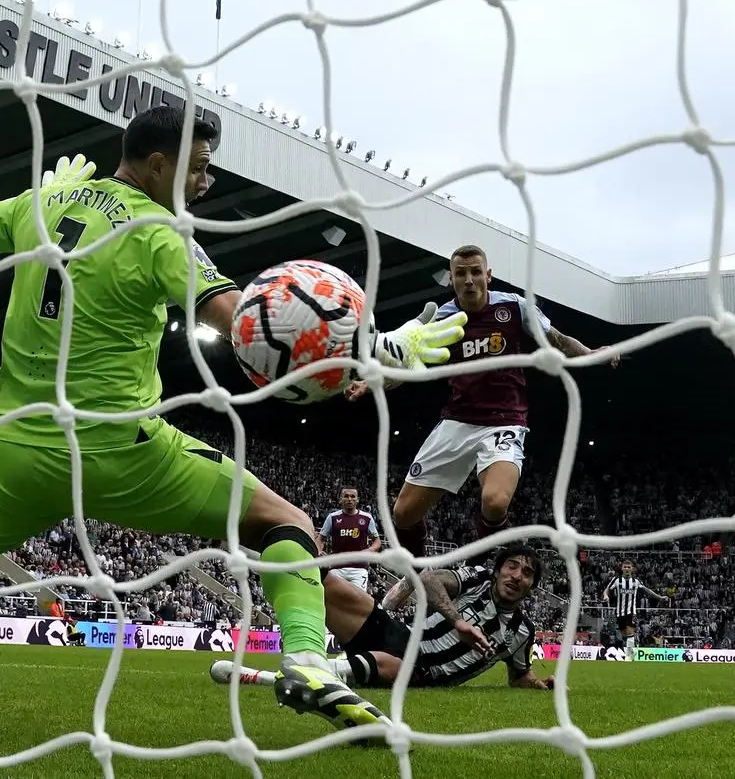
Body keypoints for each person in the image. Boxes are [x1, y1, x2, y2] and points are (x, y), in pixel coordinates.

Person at [0, 106, 463, 736]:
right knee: (284, 522)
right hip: (122, 450)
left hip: (18, 452)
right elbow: (247, 326)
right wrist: (371, 351)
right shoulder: (158, 231)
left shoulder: (44, 204)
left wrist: (30, 208)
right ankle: (307, 660)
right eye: (198, 167)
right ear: (153, 163)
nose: (205, 181)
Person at [347, 245, 616, 610]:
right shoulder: (442, 317)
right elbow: (405, 363)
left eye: (476, 272)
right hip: (457, 421)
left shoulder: (514, 308)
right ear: (452, 279)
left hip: (505, 421)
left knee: (495, 500)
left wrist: (589, 354)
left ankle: (479, 567)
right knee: (403, 514)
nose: (469, 279)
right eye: (461, 273)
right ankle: (420, 577)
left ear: (488, 276)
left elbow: (556, 339)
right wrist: (370, 383)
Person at [210, 545, 557, 691]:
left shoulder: (522, 632)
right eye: (512, 566)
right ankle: (263, 551)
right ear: (498, 571)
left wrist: (542, 686)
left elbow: (519, 675)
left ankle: (270, 676)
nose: (517, 575)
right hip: (403, 636)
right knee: (328, 584)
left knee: (391, 665)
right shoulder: (479, 578)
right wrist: (458, 621)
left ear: (532, 588)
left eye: (527, 573)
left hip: (425, 673)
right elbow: (428, 579)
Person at [314, 488, 380, 592]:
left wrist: (371, 549)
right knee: (336, 601)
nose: (349, 499)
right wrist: (318, 550)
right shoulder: (332, 518)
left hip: (359, 568)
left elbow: (377, 541)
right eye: (346, 496)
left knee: (358, 602)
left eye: (353, 496)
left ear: (357, 499)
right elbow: (320, 538)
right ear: (341, 499)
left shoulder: (367, 518)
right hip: (336, 568)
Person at [602, 560, 669, 660]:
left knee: (630, 633)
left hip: (631, 612)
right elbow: (607, 589)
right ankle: (631, 650)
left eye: (629, 567)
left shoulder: (636, 581)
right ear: (622, 568)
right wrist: (606, 595)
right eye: (625, 567)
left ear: (632, 569)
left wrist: (660, 598)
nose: (627, 569)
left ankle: (629, 658)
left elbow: (648, 591)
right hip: (620, 613)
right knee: (624, 635)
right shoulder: (616, 580)